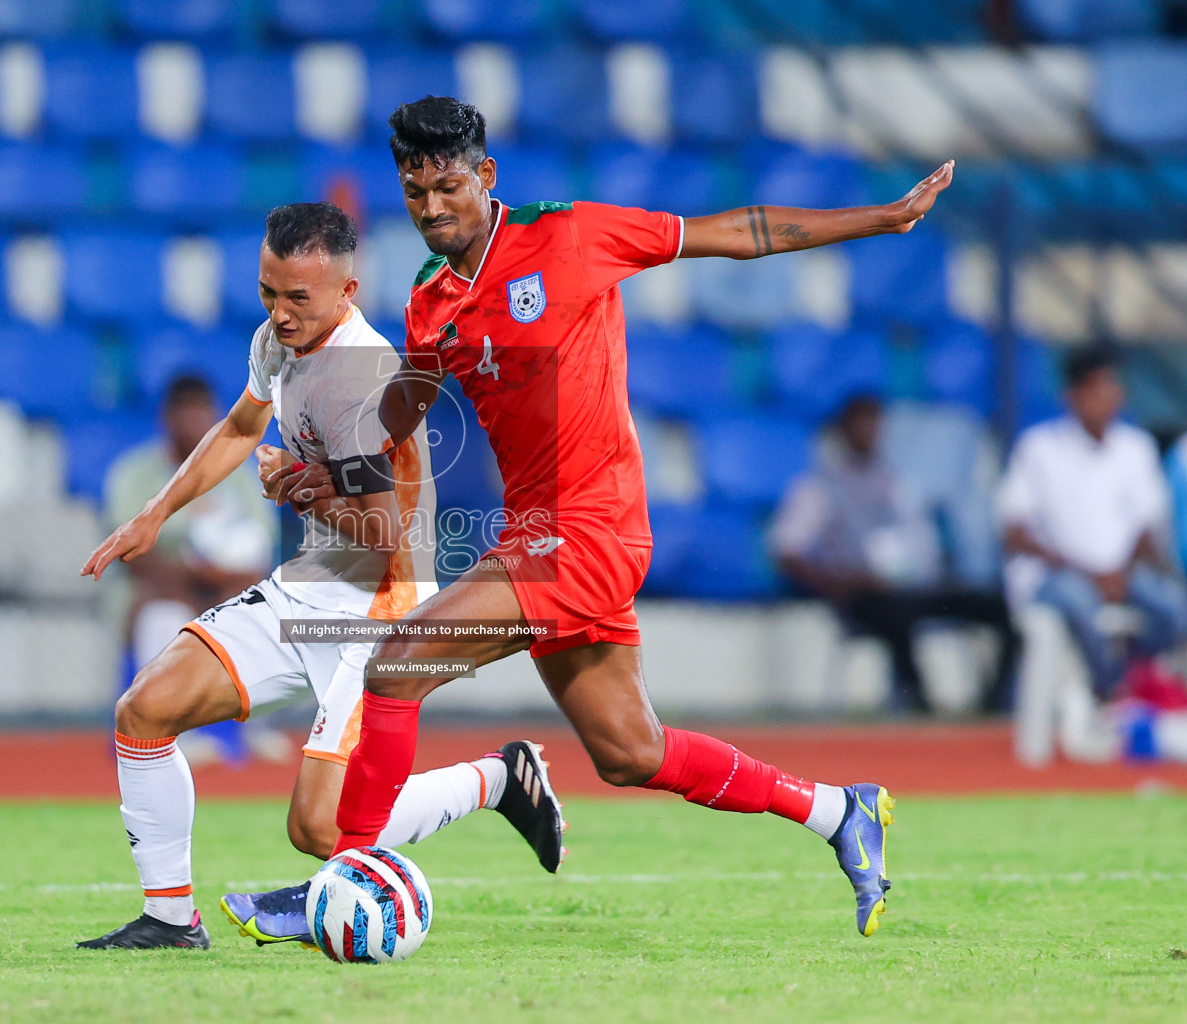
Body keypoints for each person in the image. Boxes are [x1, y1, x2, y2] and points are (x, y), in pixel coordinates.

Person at [237, 97, 956, 940]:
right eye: (414, 191)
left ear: (485, 176)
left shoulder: (570, 236)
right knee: (629, 751)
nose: (431, 208)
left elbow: (735, 231)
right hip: (531, 536)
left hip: (590, 530)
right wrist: (319, 472)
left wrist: (883, 218)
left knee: (394, 663)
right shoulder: (431, 301)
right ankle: (841, 812)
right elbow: (403, 416)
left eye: (447, 187)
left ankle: (337, 878)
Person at [76, 202, 563, 951]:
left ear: (348, 290)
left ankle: (496, 780)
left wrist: (298, 486)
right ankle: (171, 919)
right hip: (310, 583)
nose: (280, 312)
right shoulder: (279, 339)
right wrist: (154, 511)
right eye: (269, 291)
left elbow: (387, 530)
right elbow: (242, 426)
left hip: (381, 605)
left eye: (298, 298)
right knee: (143, 711)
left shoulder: (359, 383)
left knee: (320, 826)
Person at [772, 393, 1019, 714]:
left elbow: (920, 538)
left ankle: (993, 702)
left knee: (1004, 608)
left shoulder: (896, 479)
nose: (868, 430)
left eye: (874, 422)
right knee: (895, 616)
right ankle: (920, 701)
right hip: (862, 592)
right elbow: (787, 552)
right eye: (859, 422)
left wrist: (917, 569)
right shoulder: (820, 486)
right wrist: (840, 582)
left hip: (913, 585)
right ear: (842, 430)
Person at [998, 343, 1187, 699]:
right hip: (1058, 576)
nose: (1109, 397)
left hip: (1123, 574)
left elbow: (1148, 527)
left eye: (1113, 386)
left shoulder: (1135, 447)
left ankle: (1132, 678)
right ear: (1073, 394)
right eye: (1098, 387)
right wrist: (1088, 573)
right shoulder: (1038, 448)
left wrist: (1120, 573)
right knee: (1079, 603)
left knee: (1176, 608)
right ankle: (1110, 690)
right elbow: (1016, 532)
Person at [104, 374, 275, 677]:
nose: (194, 421)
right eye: (185, 410)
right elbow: (130, 554)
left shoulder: (242, 477)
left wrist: (215, 586)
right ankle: (167, 721)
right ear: (166, 417)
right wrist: (186, 583)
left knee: (257, 615)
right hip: (157, 590)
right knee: (166, 619)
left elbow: (259, 551)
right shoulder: (135, 474)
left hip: (226, 587)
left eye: (202, 410)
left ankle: (253, 723)